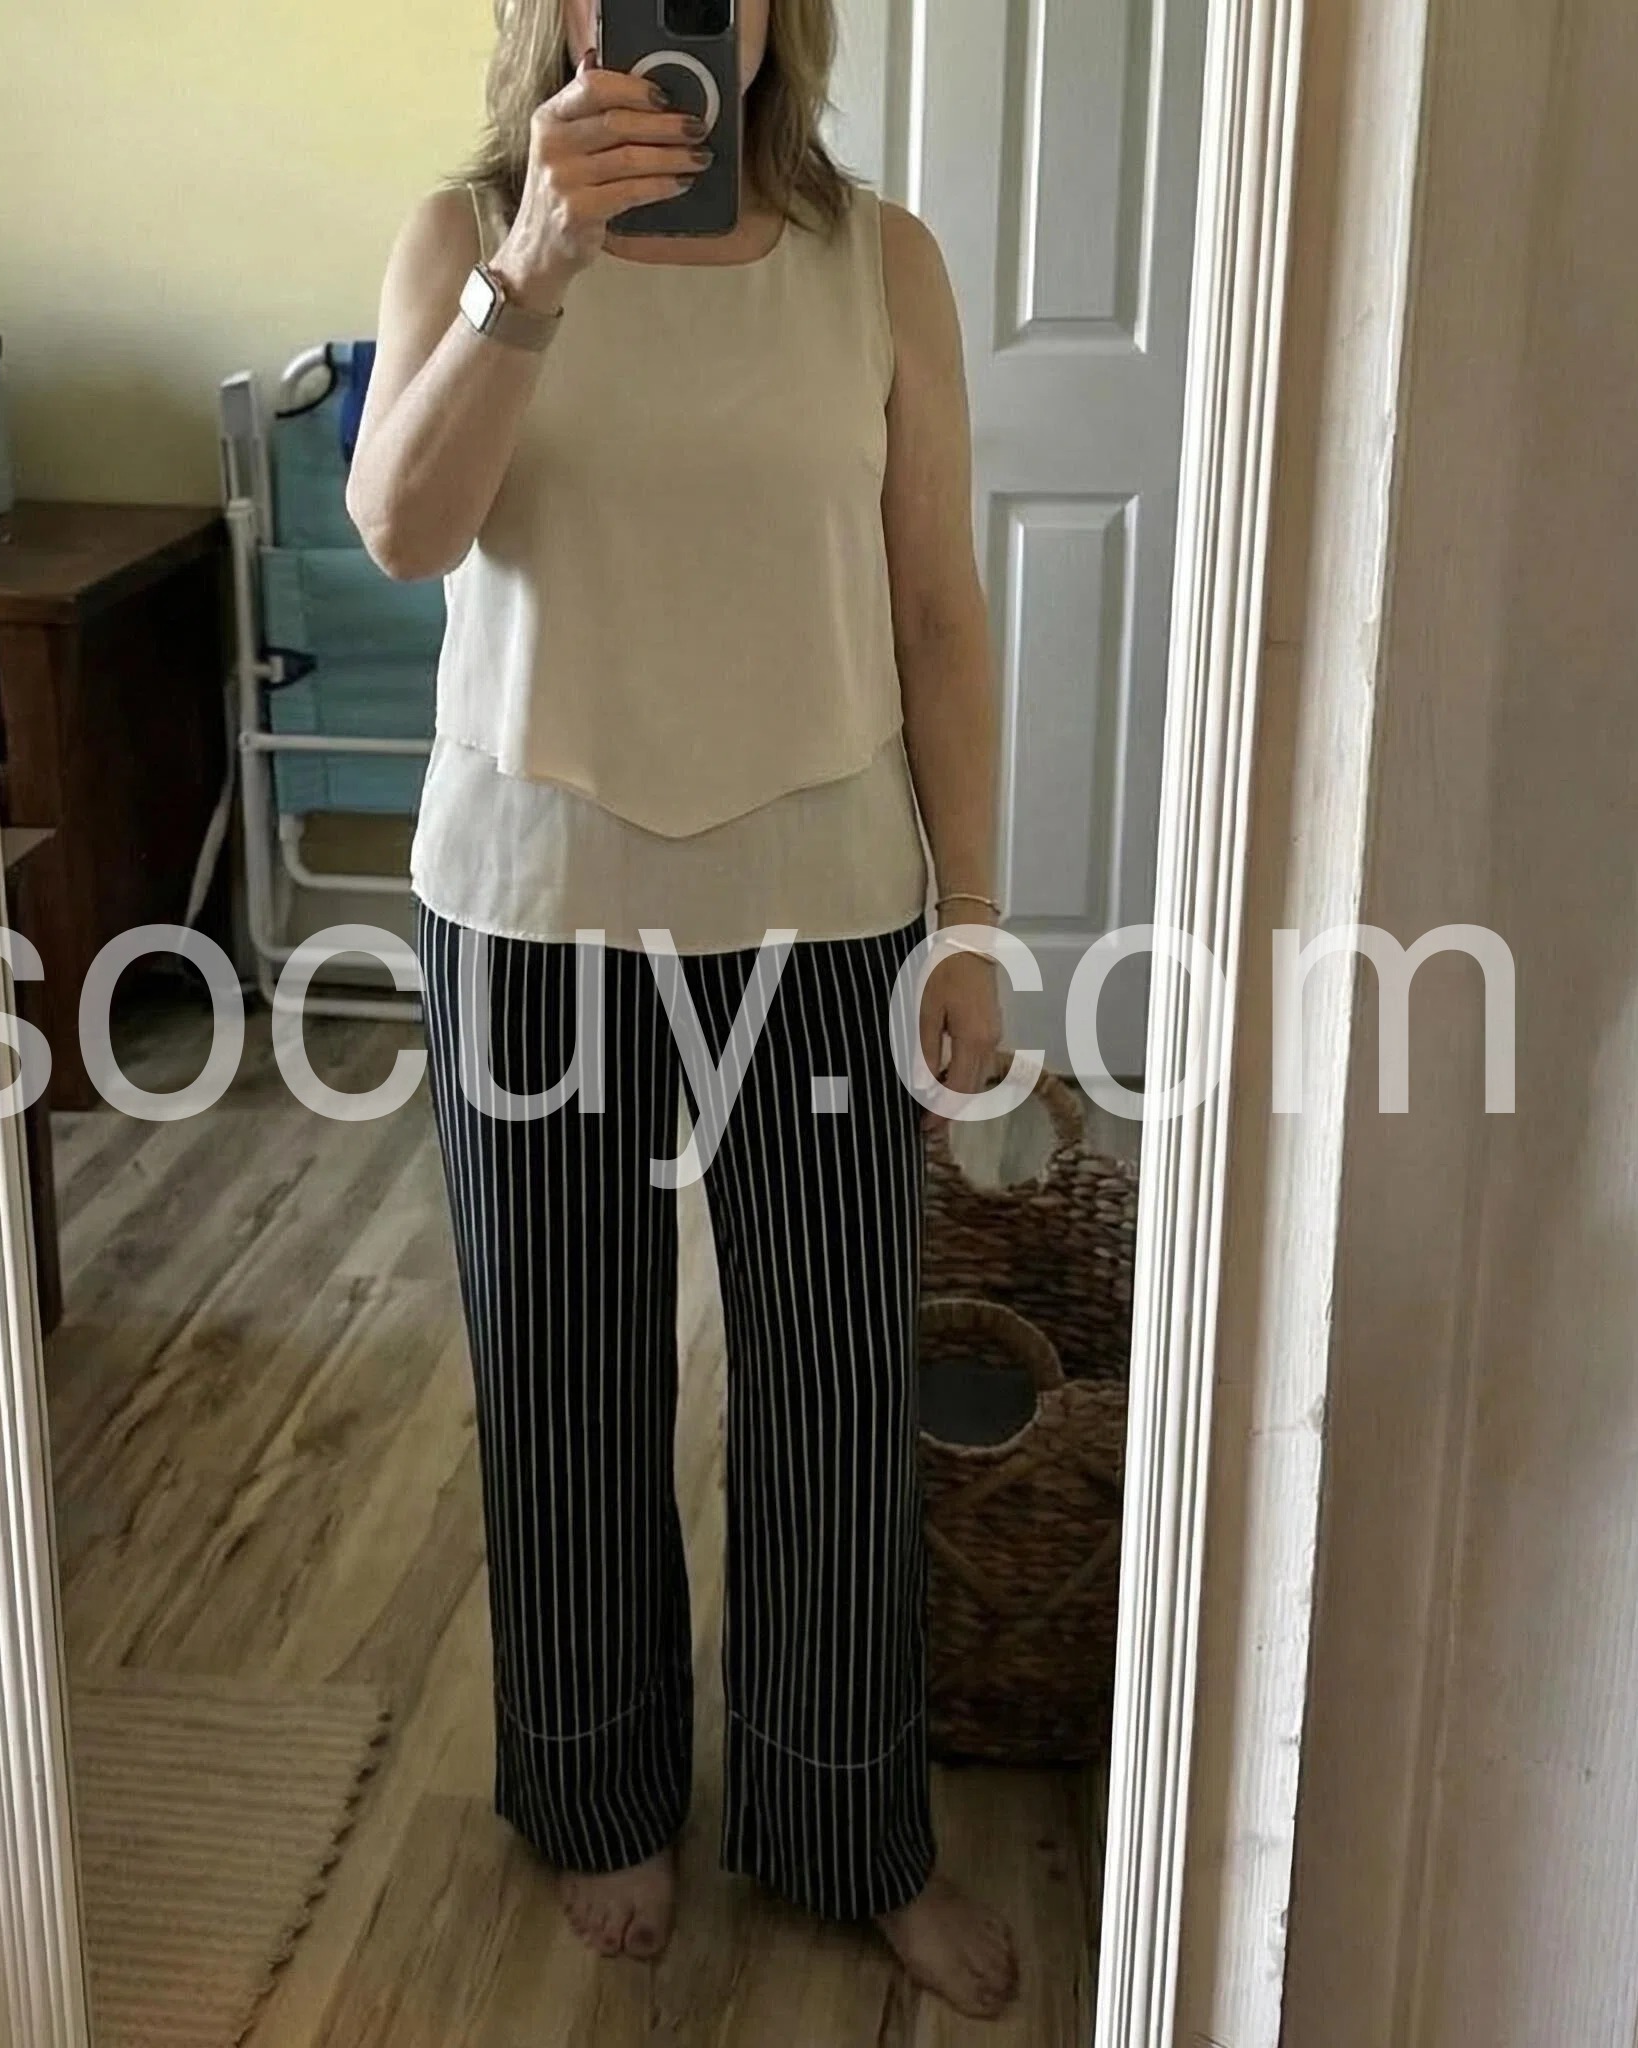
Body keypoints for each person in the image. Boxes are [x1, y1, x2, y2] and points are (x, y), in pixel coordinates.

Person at [347, 0, 1017, 2019]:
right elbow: (402, 533)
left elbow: (936, 608)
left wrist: (974, 922)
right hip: (532, 901)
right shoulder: (461, 231)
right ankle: (598, 1786)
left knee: (834, 1385)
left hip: (828, 903)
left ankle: (846, 1818)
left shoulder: (879, 261)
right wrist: (534, 272)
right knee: (562, 1371)